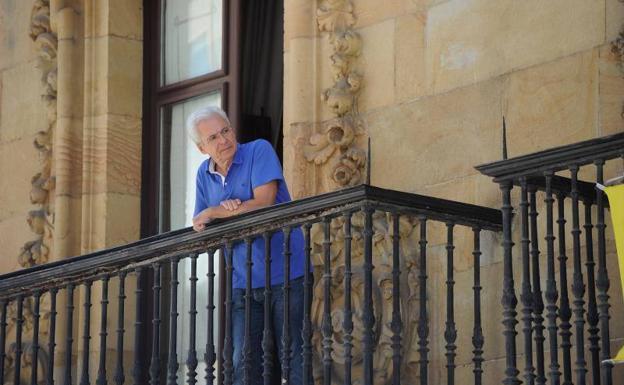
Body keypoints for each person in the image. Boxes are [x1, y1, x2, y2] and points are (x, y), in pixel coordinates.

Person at [188, 106, 307, 385]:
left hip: (287, 273)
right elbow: (201, 224)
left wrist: (218, 211)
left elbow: (263, 203)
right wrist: (223, 210)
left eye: (226, 131)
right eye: (213, 138)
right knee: (244, 363)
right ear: (201, 147)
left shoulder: (258, 151)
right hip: (242, 281)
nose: (224, 141)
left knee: (294, 357)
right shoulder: (203, 175)